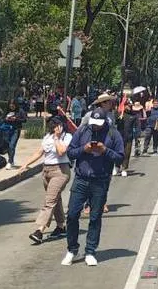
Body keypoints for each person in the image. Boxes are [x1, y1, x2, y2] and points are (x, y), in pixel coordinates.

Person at [63, 107, 125, 266]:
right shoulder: (83, 131)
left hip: (100, 181)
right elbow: (70, 152)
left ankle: (90, 251)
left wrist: (105, 150)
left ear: (105, 121)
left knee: (95, 217)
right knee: (72, 214)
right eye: (94, 123)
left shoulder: (113, 134)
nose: (95, 126)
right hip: (81, 179)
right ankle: (71, 249)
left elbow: (120, 158)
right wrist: (84, 149)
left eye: (99, 123)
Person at [23, 117, 72, 244]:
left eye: (57, 124)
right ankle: (61, 226)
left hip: (60, 171)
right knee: (55, 199)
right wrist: (26, 164)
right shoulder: (47, 137)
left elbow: (61, 152)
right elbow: (40, 152)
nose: (55, 127)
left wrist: (57, 137)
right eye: (53, 124)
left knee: (49, 201)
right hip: (46, 171)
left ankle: (39, 230)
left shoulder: (67, 137)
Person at [4, 99, 27, 169]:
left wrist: (16, 119)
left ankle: (10, 162)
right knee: (8, 146)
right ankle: (12, 160)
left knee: (12, 145)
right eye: (10, 105)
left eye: (13, 105)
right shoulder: (7, 110)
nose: (11, 106)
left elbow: (24, 120)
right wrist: (6, 119)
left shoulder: (20, 111)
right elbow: (1, 118)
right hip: (7, 130)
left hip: (16, 130)